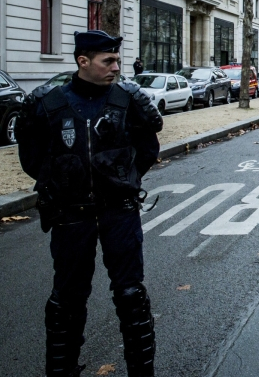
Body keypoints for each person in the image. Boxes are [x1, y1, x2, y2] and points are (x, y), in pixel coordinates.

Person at [15, 30, 163, 377]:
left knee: (131, 296)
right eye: (107, 61)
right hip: (70, 216)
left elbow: (147, 151)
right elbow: (32, 158)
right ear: (83, 62)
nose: (116, 66)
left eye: (116, 60)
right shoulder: (48, 103)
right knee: (67, 301)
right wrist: (66, 183)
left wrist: (120, 180)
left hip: (119, 212)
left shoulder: (128, 100)